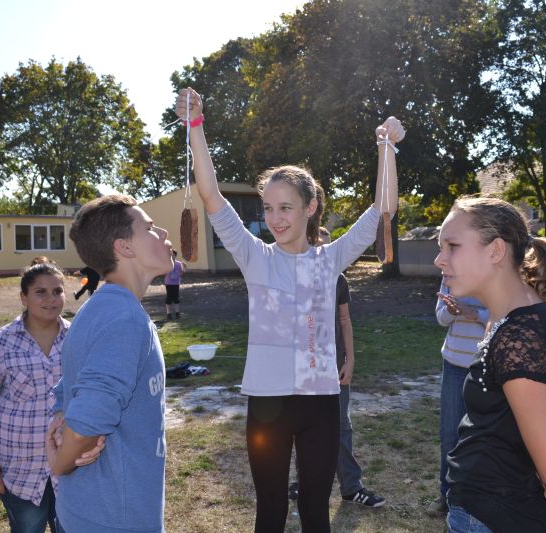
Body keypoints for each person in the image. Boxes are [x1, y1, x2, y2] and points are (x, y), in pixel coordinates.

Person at [176, 87, 404, 533]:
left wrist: (387, 148)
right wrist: (195, 126)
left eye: (286, 208)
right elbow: (211, 196)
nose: (275, 218)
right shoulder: (254, 256)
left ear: (310, 207)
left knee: (316, 513)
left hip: (321, 404)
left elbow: (384, 210)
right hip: (268, 404)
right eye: (268, 208)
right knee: (270, 512)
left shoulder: (331, 259)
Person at [434, 196, 546, 532]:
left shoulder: (519, 337)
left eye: (452, 246)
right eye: (440, 248)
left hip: (493, 517)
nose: (439, 260)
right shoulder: (522, 320)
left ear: (496, 251)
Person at [46, 194, 173, 533]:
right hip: (113, 520)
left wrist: (62, 426)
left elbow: (65, 390)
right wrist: (61, 462)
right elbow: (87, 419)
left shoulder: (100, 307)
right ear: (124, 247)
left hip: (90, 511)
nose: (162, 233)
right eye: (149, 228)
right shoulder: (123, 318)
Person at [0, 260, 103, 533]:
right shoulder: (1, 343)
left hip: (72, 467)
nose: (51, 299)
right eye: (40, 292)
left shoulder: (78, 338)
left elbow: (93, 397)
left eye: (57, 291)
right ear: (24, 297)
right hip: (20, 471)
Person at [288, 227, 386, 508]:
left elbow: (344, 321)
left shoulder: (339, 280)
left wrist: (350, 360)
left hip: (334, 367)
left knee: (341, 426)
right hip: (304, 368)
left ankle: (351, 488)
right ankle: (303, 482)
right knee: (305, 426)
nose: (323, 251)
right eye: (317, 244)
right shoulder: (295, 278)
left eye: (327, 246)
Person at [428, 283, 488, 517]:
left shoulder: (495, 270)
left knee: (483, 434)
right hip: (454, 363)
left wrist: (475, 314)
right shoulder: (450, 272)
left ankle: (477, 496)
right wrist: (451, 311)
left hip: (486, 364)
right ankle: (447, 495)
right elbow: (441, 318)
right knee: (450, 435)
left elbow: (506, 316)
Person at [164, 250, 186, 320]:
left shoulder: (179, 264)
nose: (171, 256)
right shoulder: (167, 263)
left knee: (176, 298)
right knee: (169, 298)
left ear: (175, 255)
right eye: (170, 254)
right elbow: (163, 272)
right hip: (168, 283)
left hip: (176, 283)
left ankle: (177, 313)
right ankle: (168, 314)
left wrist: (183, 268)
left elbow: (182, 272)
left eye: (173, 255)